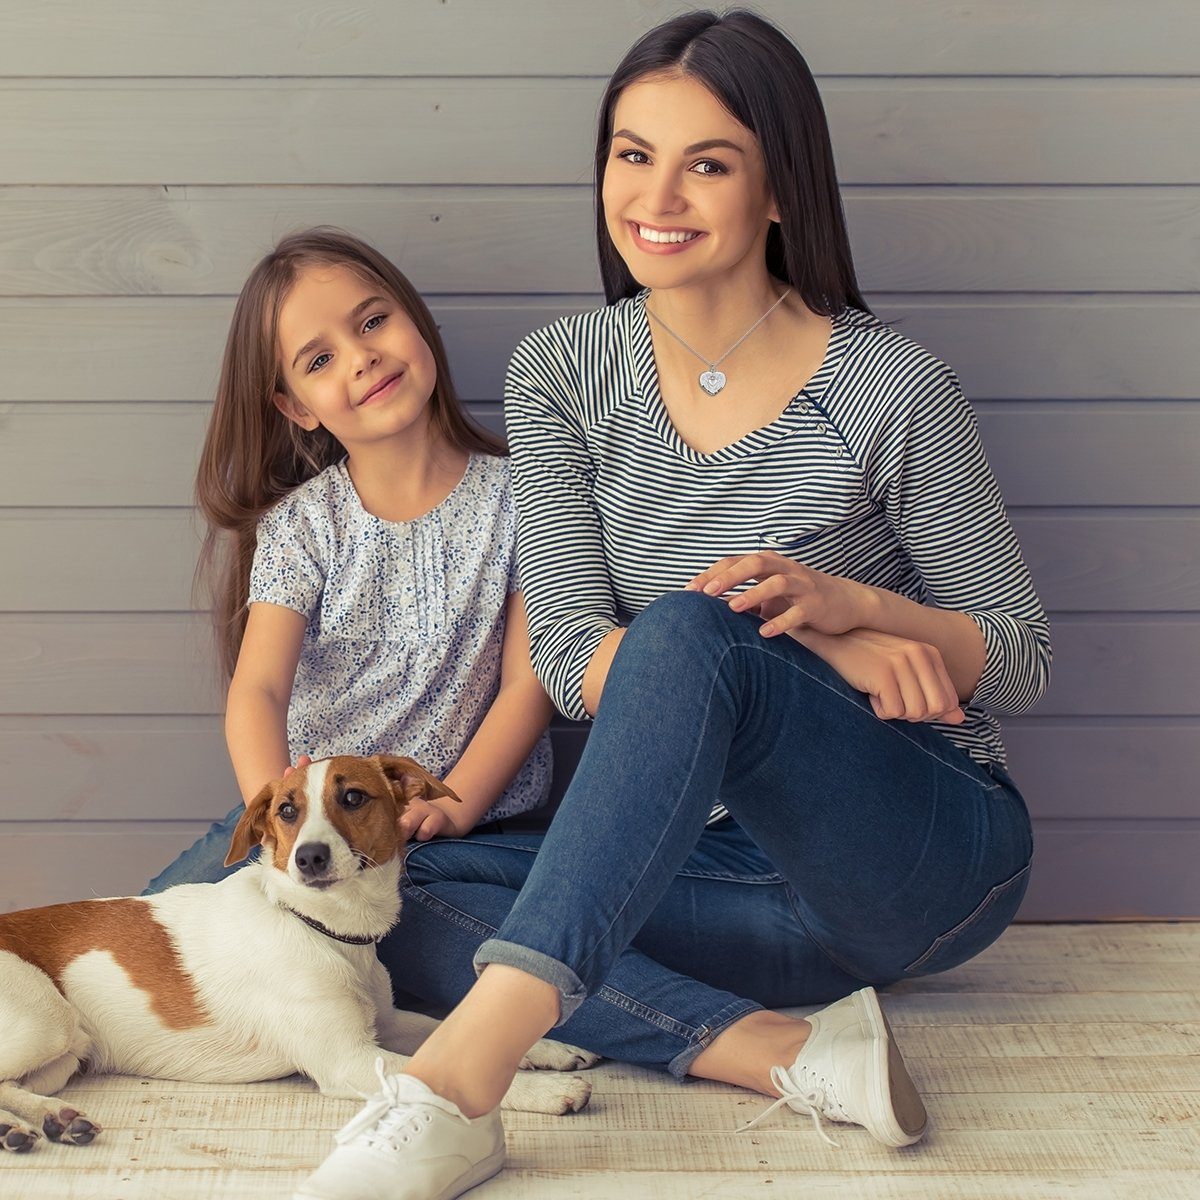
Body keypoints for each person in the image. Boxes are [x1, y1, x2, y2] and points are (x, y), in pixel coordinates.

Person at [293, 11, 1051, 1200]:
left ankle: (453, 1092)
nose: (658, 195)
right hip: (727, 885)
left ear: (779, 188)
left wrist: (847, 614)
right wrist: (805, 651)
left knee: (693, 628)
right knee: (391, 887)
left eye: (708, 163)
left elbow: (1018, 656)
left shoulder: (889, 384)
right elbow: (572, 655)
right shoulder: (562, 373)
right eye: (632, 154)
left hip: (923, 854)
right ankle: (786, 1052)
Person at [144, 227, 553, 896]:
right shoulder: (302, 527)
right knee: (148, 934)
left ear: (415, 319)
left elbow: (527, 684)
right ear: (295, 407)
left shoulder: (522, 497)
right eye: (320, 359)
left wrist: (455, 807)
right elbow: (258, 690)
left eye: (373, 322)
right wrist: (286, 827)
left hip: (465, 831)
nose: (362, 358)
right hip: (312, 831)